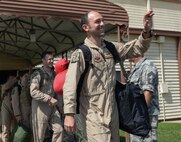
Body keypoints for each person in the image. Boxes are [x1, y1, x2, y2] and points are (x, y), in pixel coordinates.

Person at [63, 10, 154, 142]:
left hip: (113, 111)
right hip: (93, 113)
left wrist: (146, 32)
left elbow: (136, 49)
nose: (102, 24)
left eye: (103, 20)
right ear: (86, 27)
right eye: (97, 21)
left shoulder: (111, 48)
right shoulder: (82, 53)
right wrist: (69, 114)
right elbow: (70, 85)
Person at [30, 51, 63, 142]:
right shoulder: (37, 74)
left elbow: (57, 91)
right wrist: (48, 98)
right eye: (49, 59)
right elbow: (33, 92)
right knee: (39, 136)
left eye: (52, 59)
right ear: (43, 60)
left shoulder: (54, 74)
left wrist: (60, 107)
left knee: (59, 130)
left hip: (52, 106)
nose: (52, 61)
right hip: (40, 108)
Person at [128, 55, 160, 142]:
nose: (126, 53)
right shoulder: (136, 67)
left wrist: (140, 115)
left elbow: (148, 91)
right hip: (136, 115)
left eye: (128, 50)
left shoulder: (147, 66)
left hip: (146, 115)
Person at [1, 72, 20, 142]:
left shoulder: (18, 83)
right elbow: (5, 86)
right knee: (5, 128)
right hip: (6, 104)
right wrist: (15, 79)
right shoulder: (5, 85)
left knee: (14, 128)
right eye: (11, 78)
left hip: (15, 108)